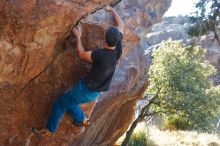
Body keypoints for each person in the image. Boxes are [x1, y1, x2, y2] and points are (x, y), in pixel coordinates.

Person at [32, 5, 124, 136]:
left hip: (85, 90)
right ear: (117, 39)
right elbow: (122, 25)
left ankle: (49, 130)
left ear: (105, 40)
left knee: (60, 103)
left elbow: (81, 54)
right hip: (95, 92)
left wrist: (78, 36)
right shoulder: (118, 49)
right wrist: (113, 10)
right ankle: (81, 120)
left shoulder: (101, 55)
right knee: (69, 101)